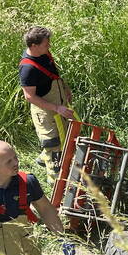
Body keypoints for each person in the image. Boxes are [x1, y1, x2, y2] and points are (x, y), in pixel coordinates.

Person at [19, 26, 75, 181]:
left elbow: (54, 74)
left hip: (59, 105)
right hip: (45, 112)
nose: (49, 46)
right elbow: (29, 96)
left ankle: (43, 158)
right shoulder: (27, 68)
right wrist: (56, 107)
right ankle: (55, 180)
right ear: (33, 46)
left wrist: (65, 90)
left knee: (65, 136)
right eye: (45, 44)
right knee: (53, 144)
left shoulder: (44, 54)